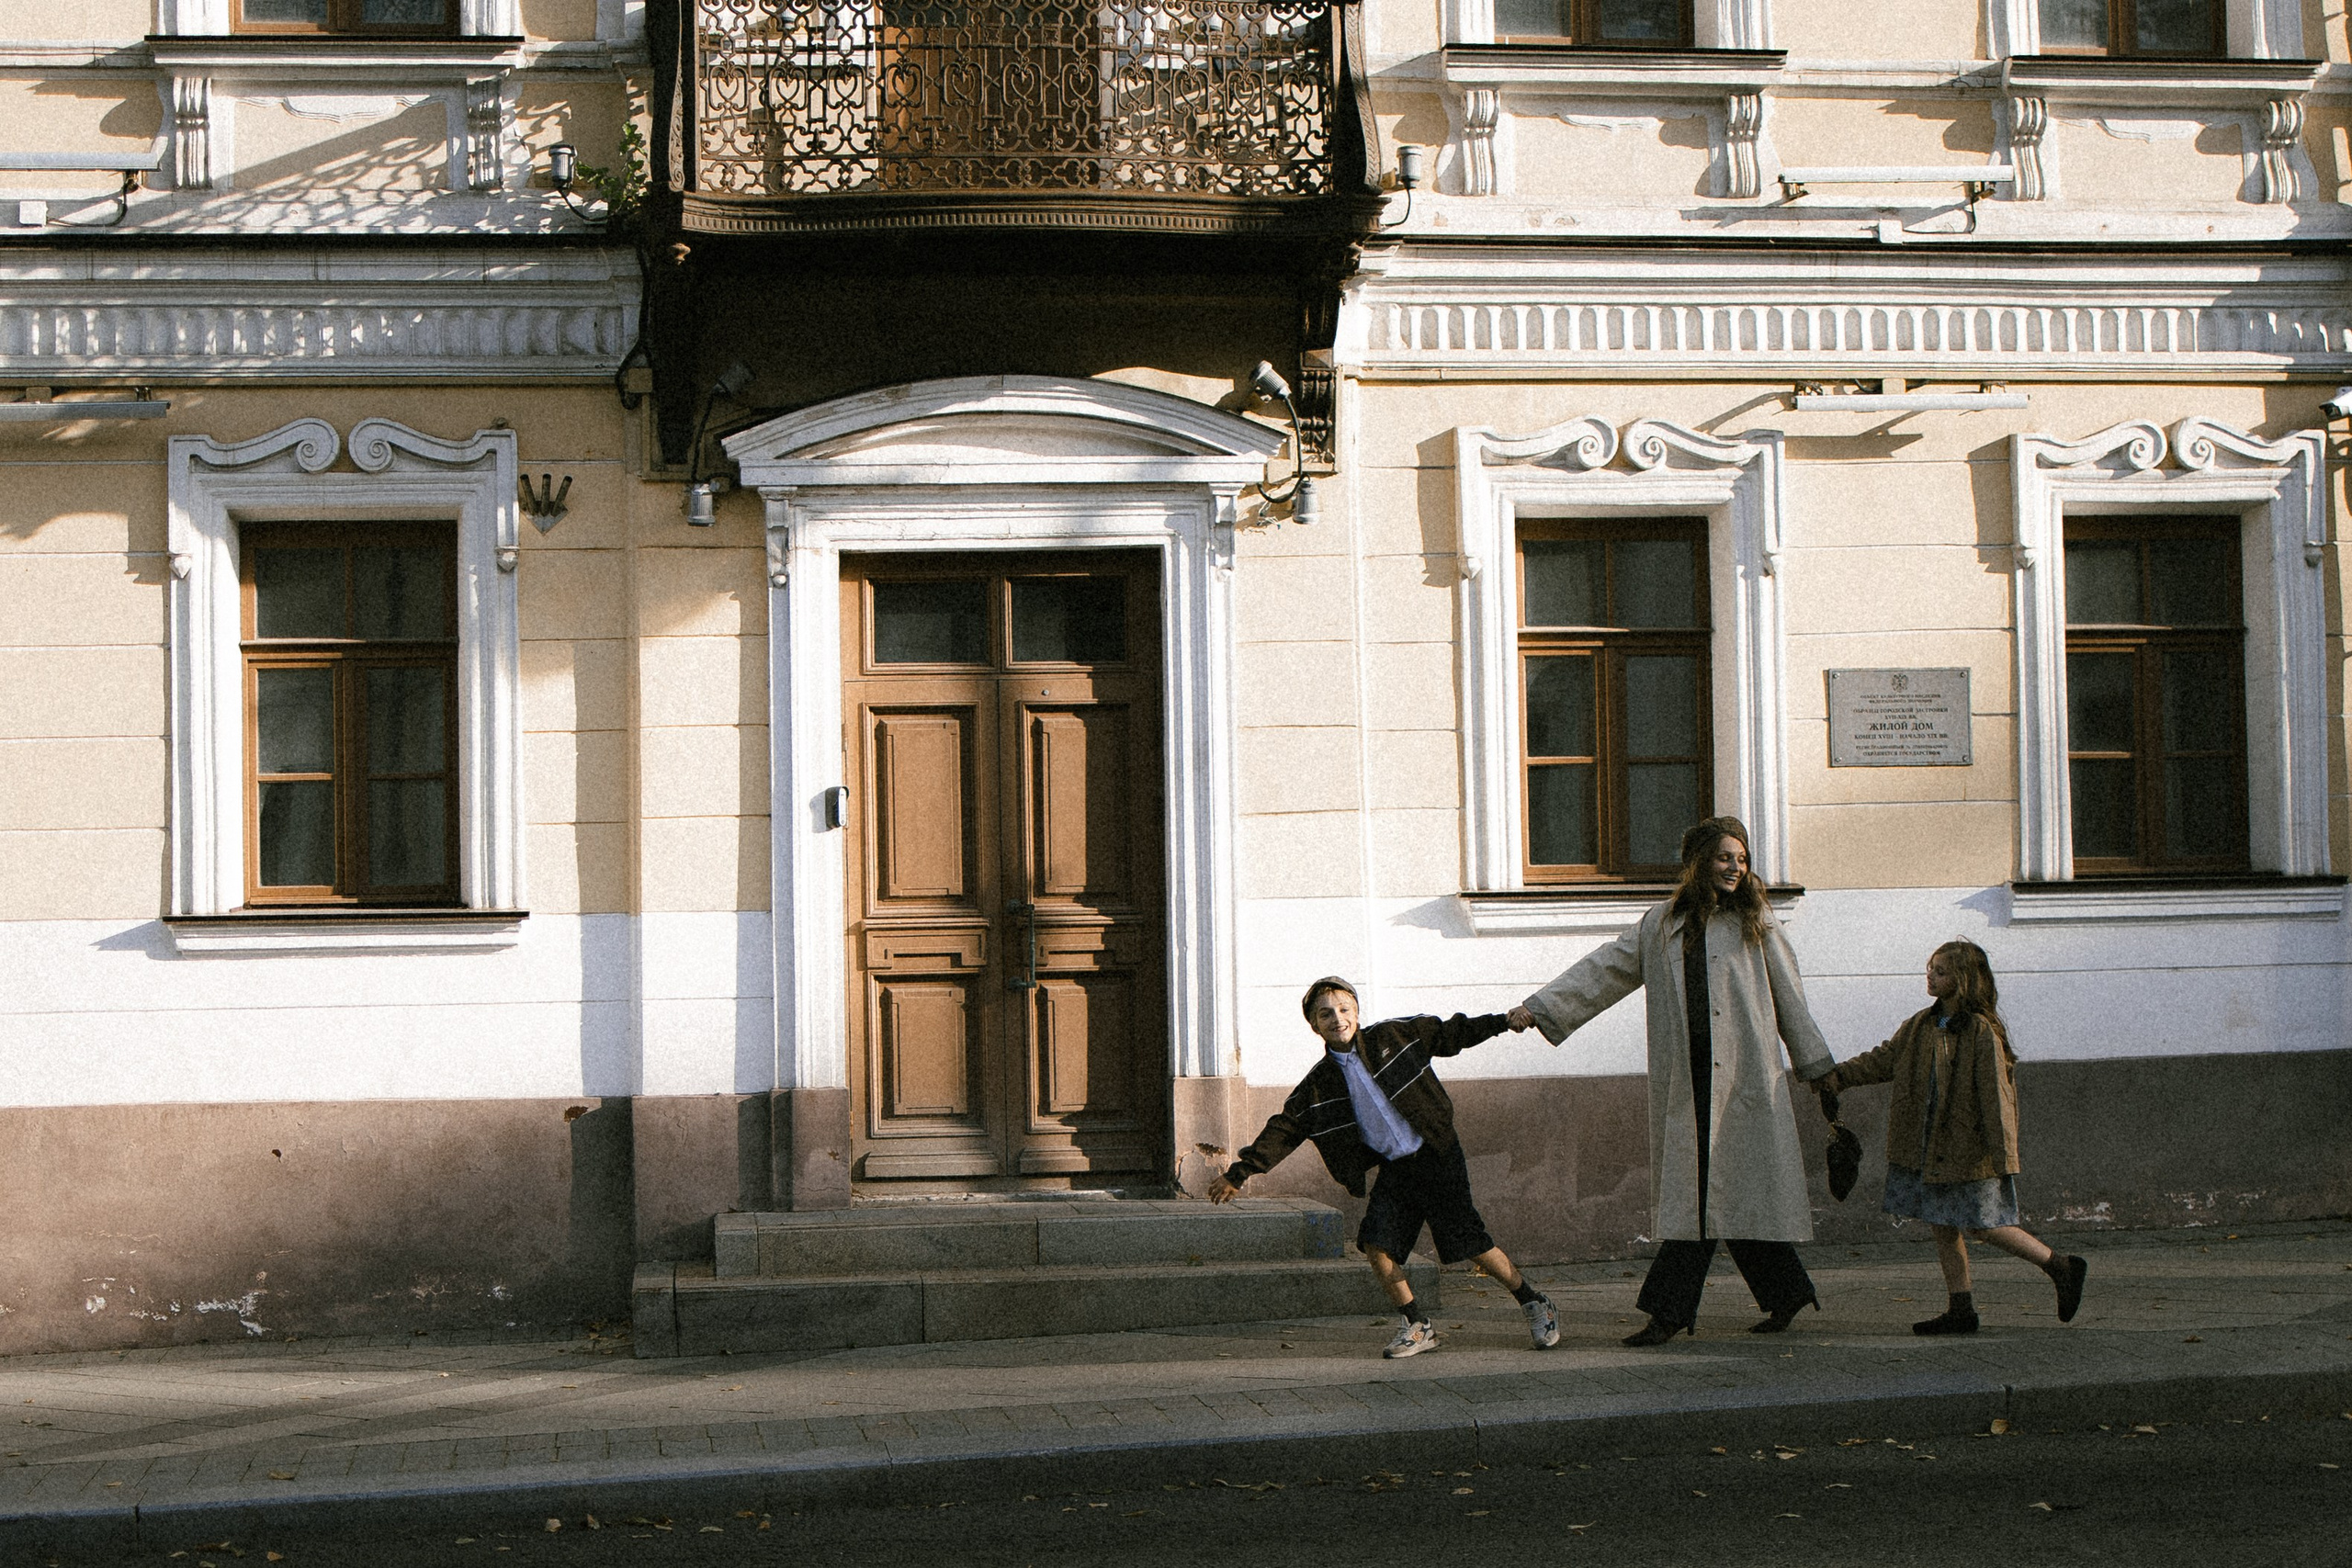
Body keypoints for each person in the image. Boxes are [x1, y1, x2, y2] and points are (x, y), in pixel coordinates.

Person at [1509, 817, 1835, 1346]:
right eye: (1725, 857)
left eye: (1742, 859)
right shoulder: (1660, 924)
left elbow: (1789, 996)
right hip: (1690, 1086)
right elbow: (1605, 970)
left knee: (1717, 1198)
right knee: (1713, 1198)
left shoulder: (1757, 923)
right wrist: (1540, 1008)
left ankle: (1670, 1312)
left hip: (1744, 1083)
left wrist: (1817, 1067)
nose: (1735, 867)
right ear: (1699, 861)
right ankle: (1785, 1295)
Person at [1208, 976, 1560, 1359]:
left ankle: (1534, 1302)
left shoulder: (1395, 1037)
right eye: (1325, 1014)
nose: (1336, 1019)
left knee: (1468, 1241)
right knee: (1378, 1244)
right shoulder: (1318, 1084)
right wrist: (1238, 1173)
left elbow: (1450, 1032)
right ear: (1314, 1025)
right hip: (1396, 1168)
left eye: (1344, 1010)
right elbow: (1285, 1128)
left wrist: (1502, 1022)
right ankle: (1416, 1325)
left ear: (1357, 1013)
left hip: (1436, 1153)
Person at [1819, 939, 2087, 1335]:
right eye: (1930, 968)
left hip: (1966, 1148)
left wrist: (2002, 1157)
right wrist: (1839, 1077)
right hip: (1927, 1147)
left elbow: (1997, 1099)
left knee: (1983, 1224)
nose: (1930, 976)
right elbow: (1885, 1058)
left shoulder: (1980, 1031)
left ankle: (2059, 1265)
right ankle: (1960, 1307)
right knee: (1941, 1223)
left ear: (1963, 980)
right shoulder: (1921, 1024)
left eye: (1941, 971)